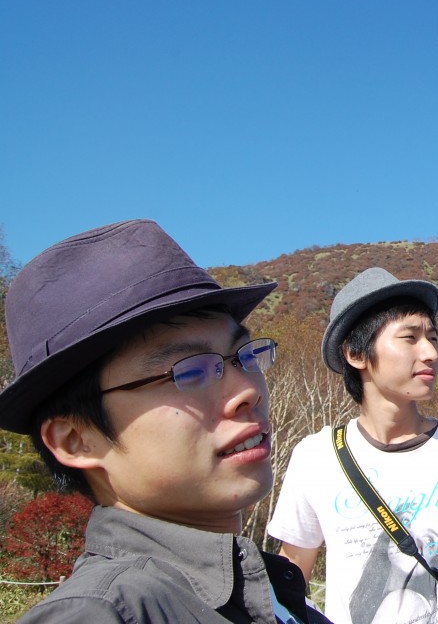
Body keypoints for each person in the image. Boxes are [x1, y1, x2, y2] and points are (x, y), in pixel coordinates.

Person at [0, 219, 330, 623]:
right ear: (74, 440)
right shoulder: (101, 614)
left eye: (245, 357)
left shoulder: (273, 597)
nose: (248, 390)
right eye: (188, 372)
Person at [268, 267, 438, 624]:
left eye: (433, 338)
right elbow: (290, 577)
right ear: (356, 354)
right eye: (410, 338)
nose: (430, 353)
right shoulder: (315, 458)